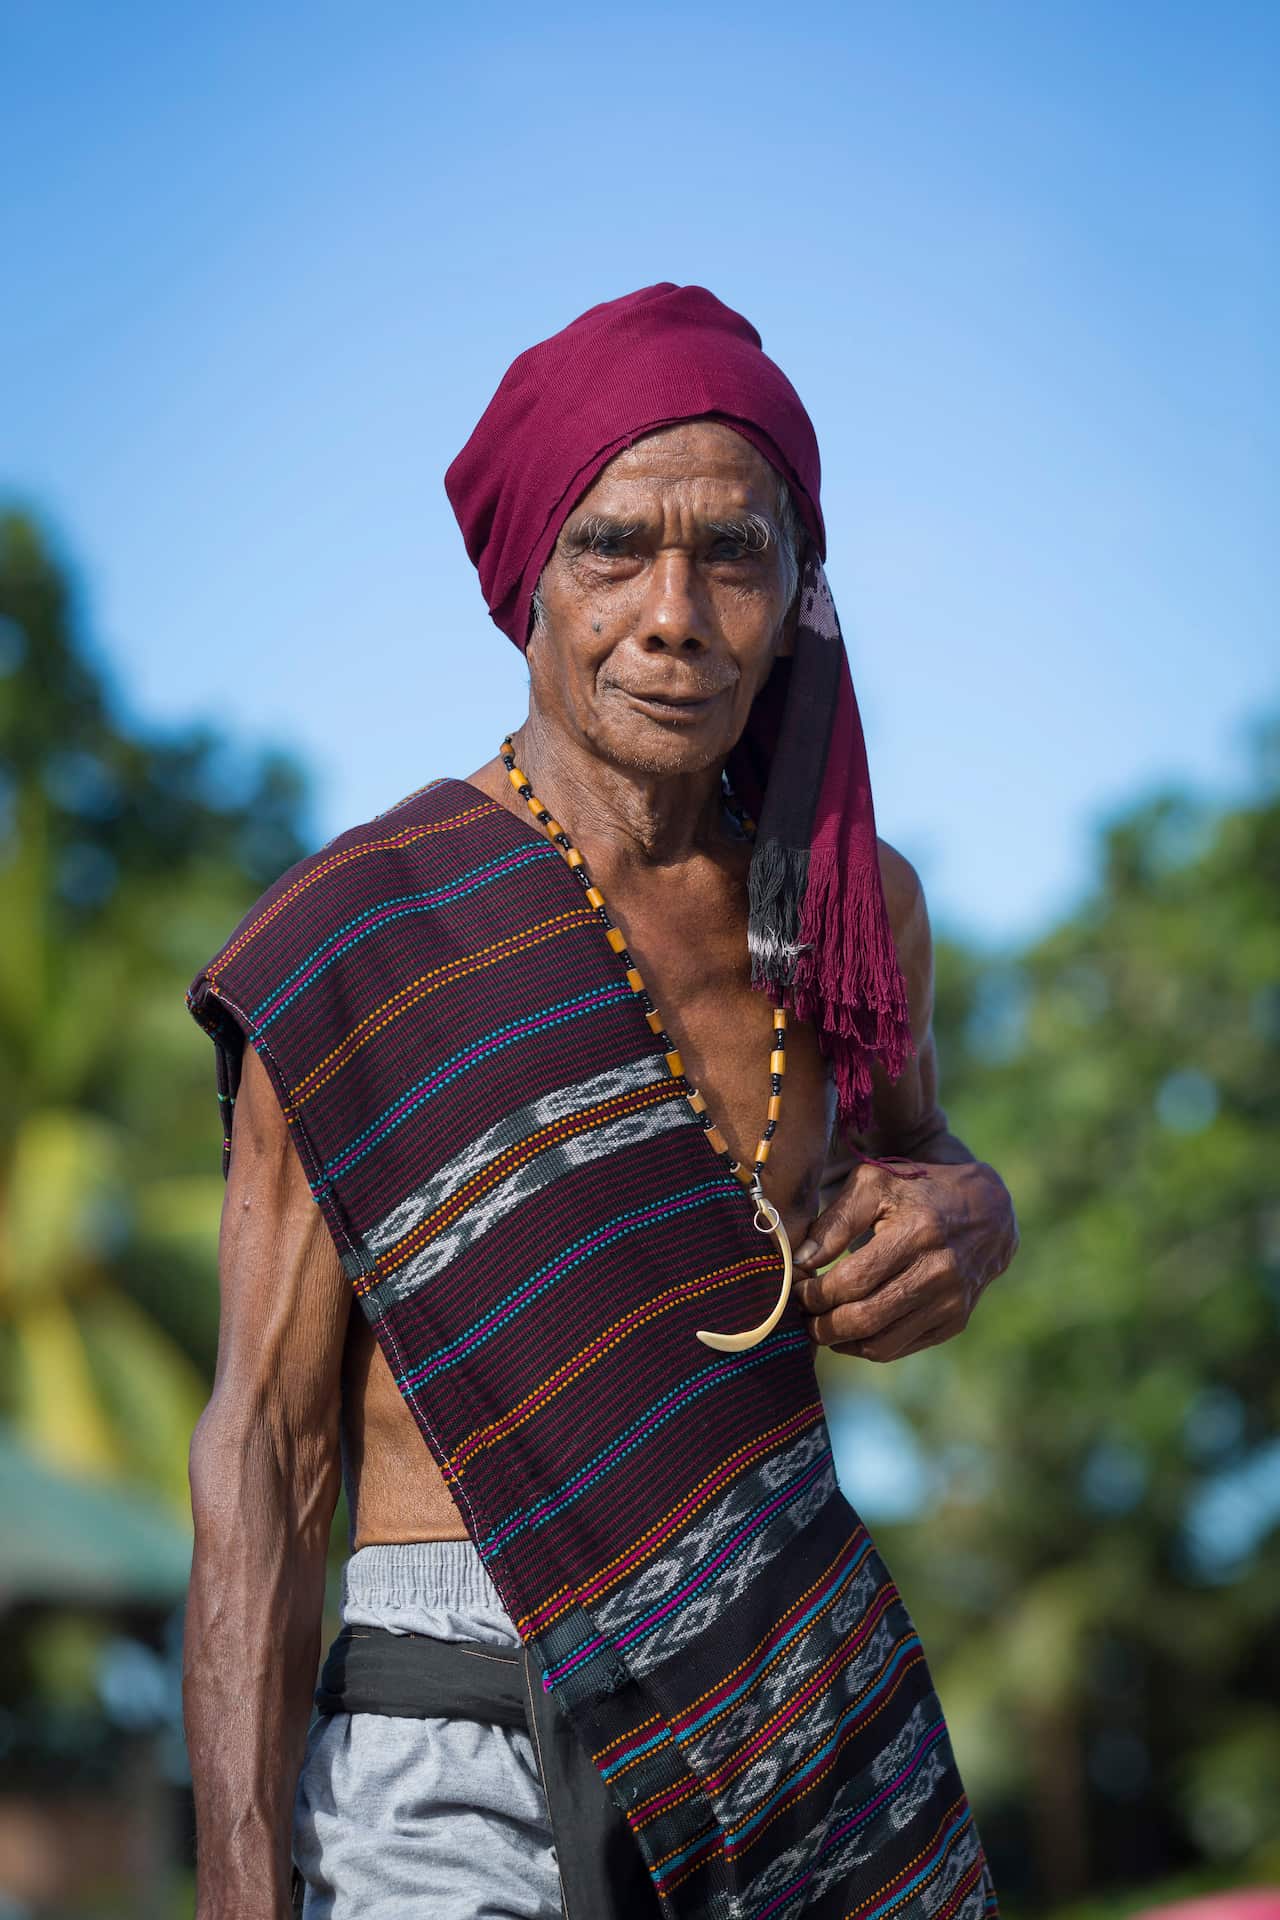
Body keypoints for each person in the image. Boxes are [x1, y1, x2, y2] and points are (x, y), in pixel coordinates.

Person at [183, 283, 1018, 1920]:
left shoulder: (843, 912)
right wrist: (233, 1888)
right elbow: (265, 1453)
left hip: (791, 1712)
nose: (675, 612)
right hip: (447, 1748)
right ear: (529, 591)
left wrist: (974, 1217)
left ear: (797, 594)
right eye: (616, 549)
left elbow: (928, 1160)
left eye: (736, 555)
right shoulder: (359, 948)